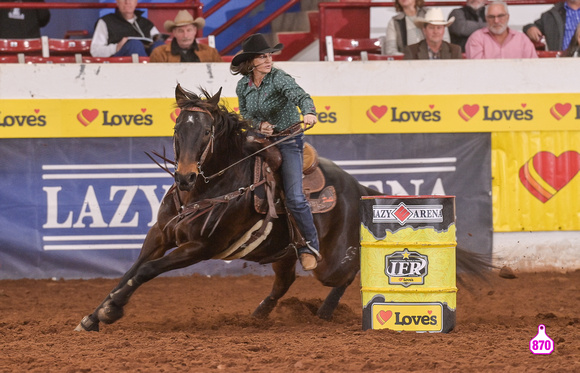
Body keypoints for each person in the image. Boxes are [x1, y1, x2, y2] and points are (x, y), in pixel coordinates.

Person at [230, 34, 321, 271]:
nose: (269, 59)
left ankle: (309, 246)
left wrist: (308, 111)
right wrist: (258, 126)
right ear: (250, 62)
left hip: (288, 140)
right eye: (263, 56)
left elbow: (301, 96)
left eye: (270, 55)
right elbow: (245, 114)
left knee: (294, 197)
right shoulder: (243, 85)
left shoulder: (279, 78)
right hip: (262, 139)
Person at [90, 0, 164, 58]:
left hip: (147, 59)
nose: (127, 2)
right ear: (117, 1)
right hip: (118, 65)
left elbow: (159, 42)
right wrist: (116, 47)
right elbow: (95, 51)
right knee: (134, 45)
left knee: (160, 46)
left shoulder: (146, 23)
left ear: (136, 1)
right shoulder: (106, 21)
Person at [465, 1, 538, 59]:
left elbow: (533, 67)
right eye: (491, 17)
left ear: (507, 17)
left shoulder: (522, 39)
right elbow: (475, 70)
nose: (496, 21)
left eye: (500, 16)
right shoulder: (476, 39)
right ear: (486, 18)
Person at [149, 10, 222, 63]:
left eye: (189, 30)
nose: (185, 35)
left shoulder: (211, 52)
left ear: (195, 31)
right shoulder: (159, 53)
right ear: (174, 32)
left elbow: (221, 75)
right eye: (181, 31)